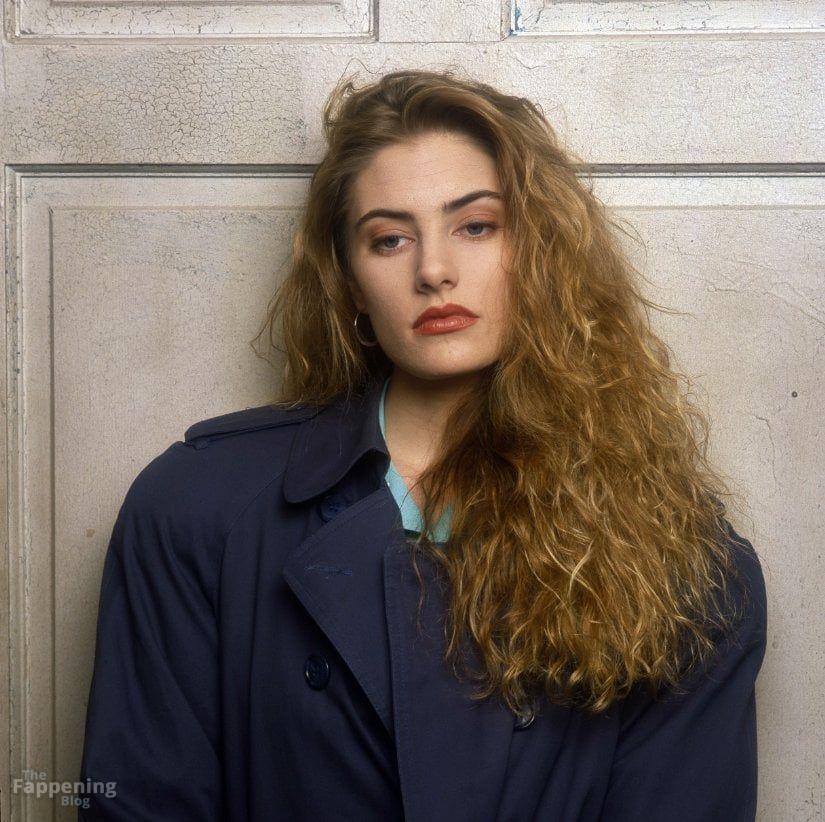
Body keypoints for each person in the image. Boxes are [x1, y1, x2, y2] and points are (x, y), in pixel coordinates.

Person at [78, 68, 768, 821]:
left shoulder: (684, 569)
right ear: (350, 281)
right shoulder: (197, 509)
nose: (434, 271)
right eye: (390, 239)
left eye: (476, 226)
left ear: (541, 252)